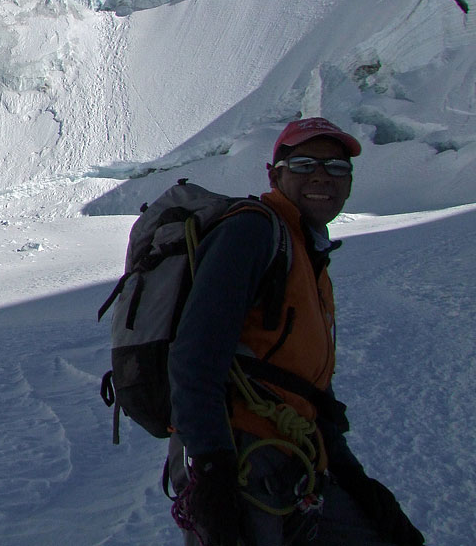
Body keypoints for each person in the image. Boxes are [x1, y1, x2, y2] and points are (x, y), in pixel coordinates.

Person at [166, 117, 424, 546]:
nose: (322, 176)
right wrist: (213, 469)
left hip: (297, 456)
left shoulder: (304, 248)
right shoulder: (252, 231)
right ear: (274, 175)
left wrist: (352, 477)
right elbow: (195, 355)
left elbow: (305, 385)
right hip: (245, 460)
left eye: (337, 167)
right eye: (304, 164)